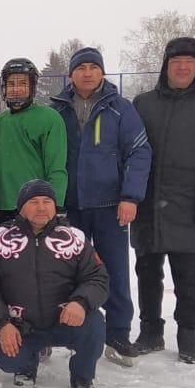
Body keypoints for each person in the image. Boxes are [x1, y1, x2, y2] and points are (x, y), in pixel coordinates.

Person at [130, 37, 195, 363]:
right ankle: (150, 331)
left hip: (190, 204)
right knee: (147, 271)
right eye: (177, 61)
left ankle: (187, 334)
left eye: (189, 61)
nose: (183, 66)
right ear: (166, 66)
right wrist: (130, 194)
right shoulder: (143, 103)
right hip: (147, 204)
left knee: (189, 274)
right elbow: (131, 151)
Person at [50, 47, 152, 366]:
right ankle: (67, 329)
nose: (87, 73)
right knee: (65, 272)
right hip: (69, 207)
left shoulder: (120, 109)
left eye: (94, 67)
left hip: (110, 206)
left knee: (114, 271)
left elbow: (139, 152)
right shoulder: (57, 111)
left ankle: (118, 333)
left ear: (102, 73)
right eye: (81, 68)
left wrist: (130, 196)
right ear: (71, 74)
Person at [0, 180, 108, 388]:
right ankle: (27, 365)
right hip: (22, 326)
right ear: (21, 207)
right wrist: (2, 323)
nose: (41, 207)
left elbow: (98, 277)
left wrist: (81, 302)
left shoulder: (74, 238)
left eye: (47, 202)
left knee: (94, 323)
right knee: (8, 360)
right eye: (34, 202)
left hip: (64, 320)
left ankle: (83, 377)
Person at [0, 58, 68, 224]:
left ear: (32, 87)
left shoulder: (49, 118)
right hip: (2, 208)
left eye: (22, 83)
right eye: (11, 84)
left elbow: (56, 168)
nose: (16, 89)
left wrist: (55, 206)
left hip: (36, 207)